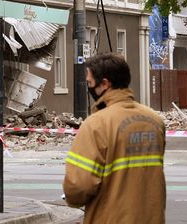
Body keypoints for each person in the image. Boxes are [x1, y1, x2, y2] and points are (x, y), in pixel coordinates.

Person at [63, 53, 166, 224]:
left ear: (104, 84)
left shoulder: (96, 124)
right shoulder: (154, 120)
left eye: (90, 83)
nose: (89, 88)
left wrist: (72, 198)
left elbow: (78, 185)